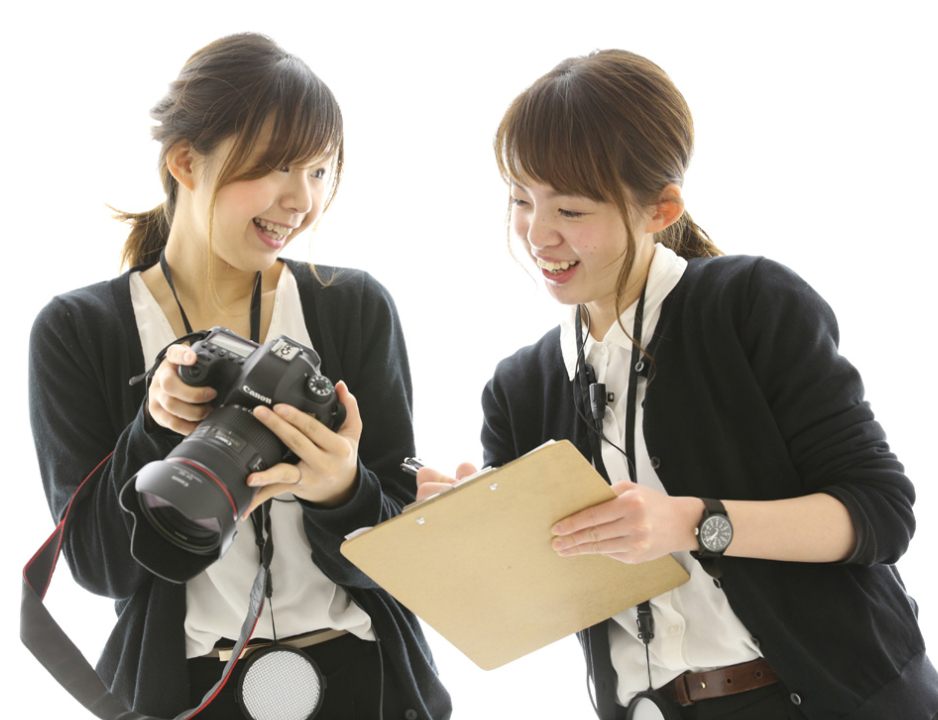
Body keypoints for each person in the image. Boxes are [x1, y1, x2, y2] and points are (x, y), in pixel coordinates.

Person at [416, 50, 938, 719]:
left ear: (660, 209)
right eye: (521, 199)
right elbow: (539, 596)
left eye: (570, 210)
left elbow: (880, 514)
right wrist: (469, 530)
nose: (537, 234)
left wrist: (691, 522)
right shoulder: (519, 388)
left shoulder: (750, 304)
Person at [28, 33, 450, 720]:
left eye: (319, 171)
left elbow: (403, 557)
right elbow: (100, 568)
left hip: (367, 681)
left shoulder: (351, 307)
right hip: (192, 693)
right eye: (278, 165)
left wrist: (341, 490)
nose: (301, 199)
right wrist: (154, 429)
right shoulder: (81, 330)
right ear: (186, 162)